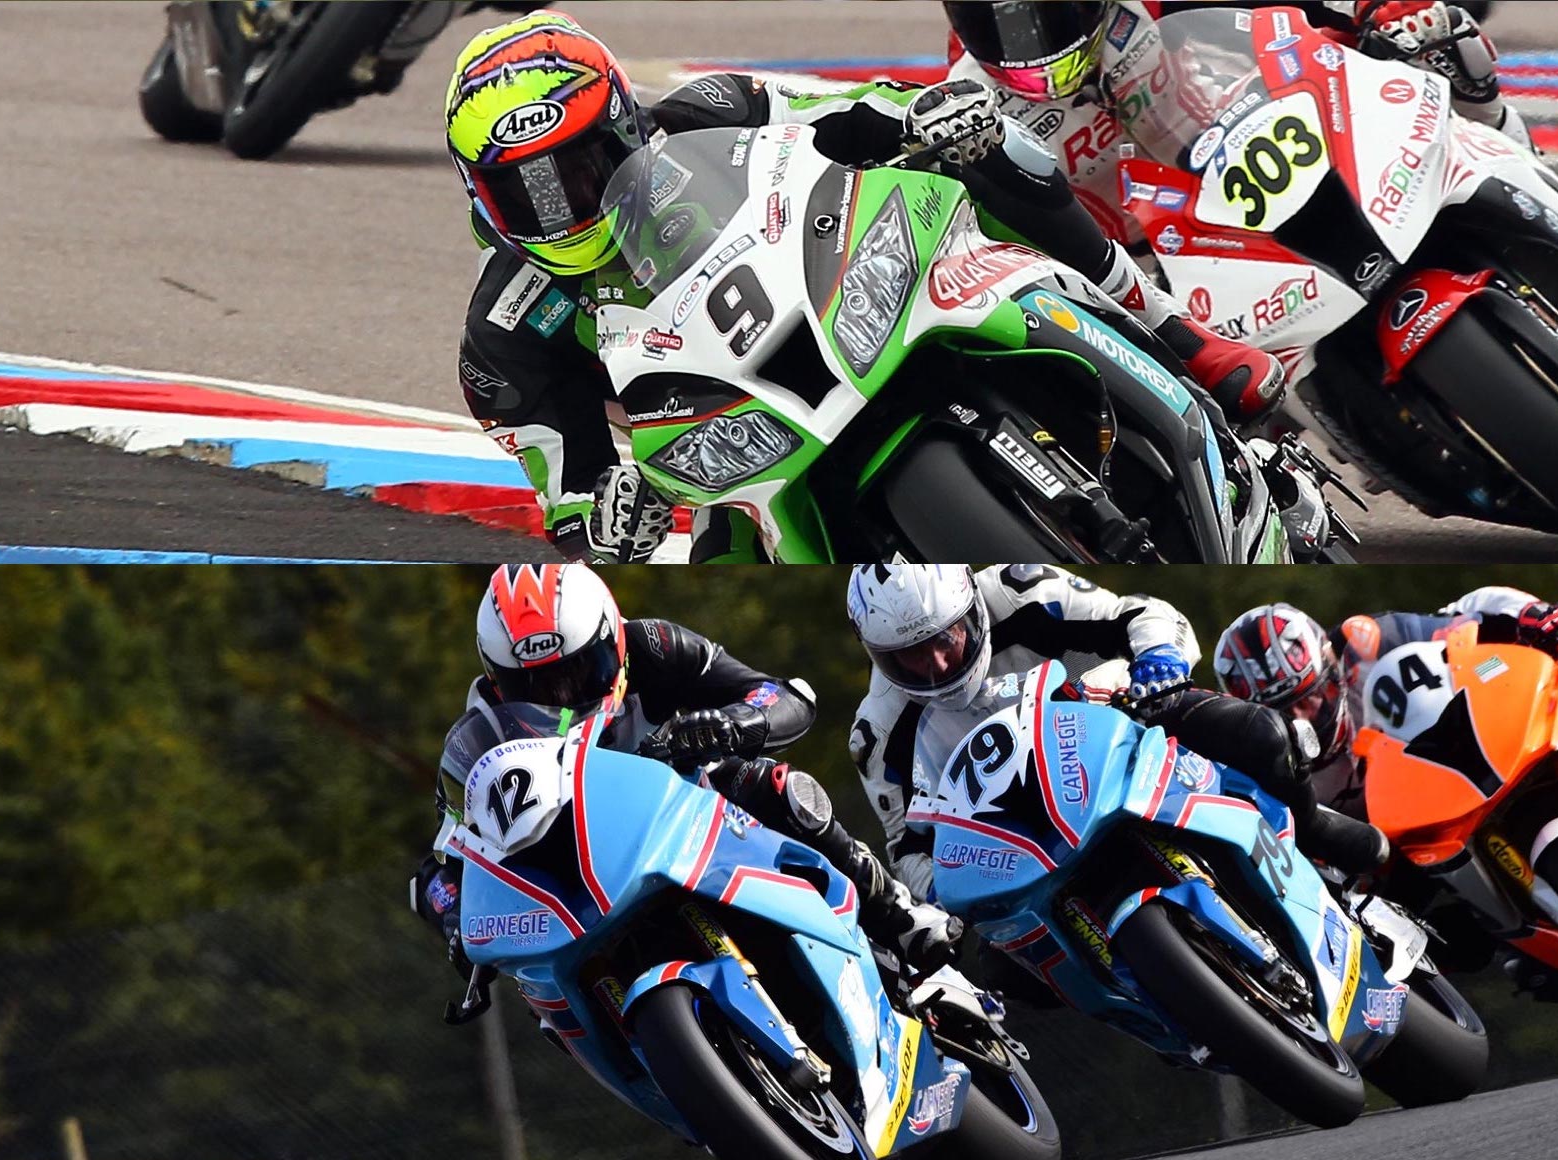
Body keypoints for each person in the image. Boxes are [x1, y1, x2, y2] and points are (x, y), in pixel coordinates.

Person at [445, 10, 1289, 563]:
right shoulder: (503, 334)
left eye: (581, 168)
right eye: (527, 191)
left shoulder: (705, 109)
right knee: (713, 572)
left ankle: (1181, 339)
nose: (564, 207)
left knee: (989, 153)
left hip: (834, 300)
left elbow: (838, 112)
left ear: (624, 123)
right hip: (721, 433)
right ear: (481, 198)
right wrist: (605, 514)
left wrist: (915, 118)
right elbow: (568, 498)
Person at [411, 563, 963, 983]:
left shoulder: (652, 646)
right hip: (576, 891)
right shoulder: (480, 741)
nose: (562, 701)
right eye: (533, 688)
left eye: (581, 674)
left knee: (771, 785)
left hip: (685, 819)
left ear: (612, 642)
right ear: (496, 678)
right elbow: (435, 872)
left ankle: (897, 915)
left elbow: (783, 694)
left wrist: (733, 724)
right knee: (535, 982)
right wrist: (455, 915)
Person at [847, 565, 1391, 919]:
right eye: (910, 655)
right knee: (1010, 973)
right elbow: (904, 847)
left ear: (968, 609)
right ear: (876, 652)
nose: (937, 662)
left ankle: (1311, 823)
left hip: (1124, 726)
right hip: (1026, 839)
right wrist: (946, 894)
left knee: (1263, 735)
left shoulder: (1021, 592)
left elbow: (1140, 612)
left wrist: (1157, 660)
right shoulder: (878, 732)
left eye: (945, 638)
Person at [940, 2, 1558, 261]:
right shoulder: (970, 97)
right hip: (1160, 246)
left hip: (1258, 127)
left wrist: (1381, 8)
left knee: (1443, 39)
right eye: (1000, 20)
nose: (1027, 39)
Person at [1214, 589, 1558, 819]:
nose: (1306, 717)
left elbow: (1467, 611)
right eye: (1285, 714)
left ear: (1330, 669)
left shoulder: (1367, 646)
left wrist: (1532, 617)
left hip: (1497, 736)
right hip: (1441, 832)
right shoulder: (1277, 785)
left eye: (1311, 697)